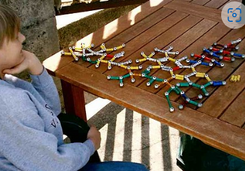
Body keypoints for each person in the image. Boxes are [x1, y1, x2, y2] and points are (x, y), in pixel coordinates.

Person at [0, 4, 148, 171]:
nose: (23, 38)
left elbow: (50, 111)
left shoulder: (10, 83)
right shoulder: (9, 103)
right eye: (13, 37)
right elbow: (54, 164)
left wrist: (36, 68)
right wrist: (90, 145)